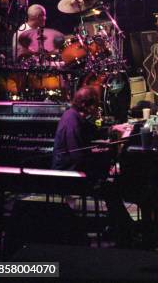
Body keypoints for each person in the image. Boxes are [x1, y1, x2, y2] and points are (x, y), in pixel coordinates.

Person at [52, 86, 134, 245]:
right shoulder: (72, 121)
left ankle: (121, 227)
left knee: (111, 187)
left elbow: (93, 133)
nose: (97, 108)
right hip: (68, 175)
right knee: (110, 189)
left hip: (74, 170)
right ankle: (123, 230)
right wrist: (105, 158)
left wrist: (113, 129)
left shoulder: (76, 116)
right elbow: (78, 156)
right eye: (95, 105)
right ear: (86, 105)